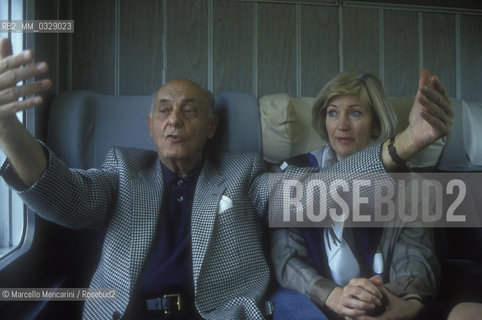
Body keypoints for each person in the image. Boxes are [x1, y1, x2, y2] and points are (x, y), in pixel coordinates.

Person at [0, 36, 452, 320]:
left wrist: (407, 144)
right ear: (150, 125)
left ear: (212, 126)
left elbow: (316, 193)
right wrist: (6, 127)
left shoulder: (244, 173)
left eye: (190, 109)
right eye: (164, 109)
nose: (175, 119)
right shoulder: (122, 170)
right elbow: (64, 198)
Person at [270, 71, 444, 320]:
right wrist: (334, 296)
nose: (342, 125)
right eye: (333, 112)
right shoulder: (292, 173)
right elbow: (285, 259)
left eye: (355, 113)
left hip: (382, 301)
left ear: (375, 122)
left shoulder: (411, 187)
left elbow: (414, 256)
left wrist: (401, 302)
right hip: (313, 302)